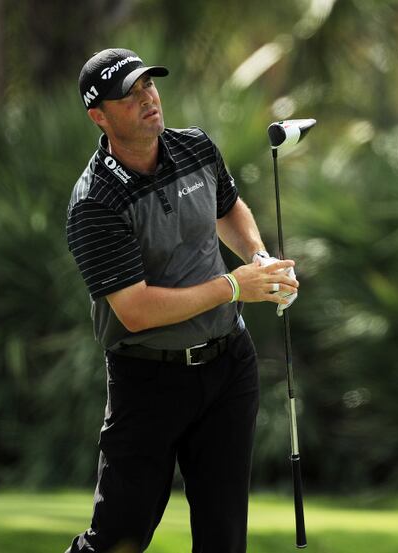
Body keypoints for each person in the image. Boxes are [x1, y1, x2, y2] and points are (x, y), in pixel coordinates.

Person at [64, 48, 299, 553]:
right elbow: (136, 310)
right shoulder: (95, 203)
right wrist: (235, 286)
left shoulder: (194, 147)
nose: (147, 97)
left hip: (228, 368)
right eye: (129, 95)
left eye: (149, 84)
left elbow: (229, 207)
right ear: (98, 116)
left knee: (223, 532)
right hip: (148, 380)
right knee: (120, 535)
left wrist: (258, 259)